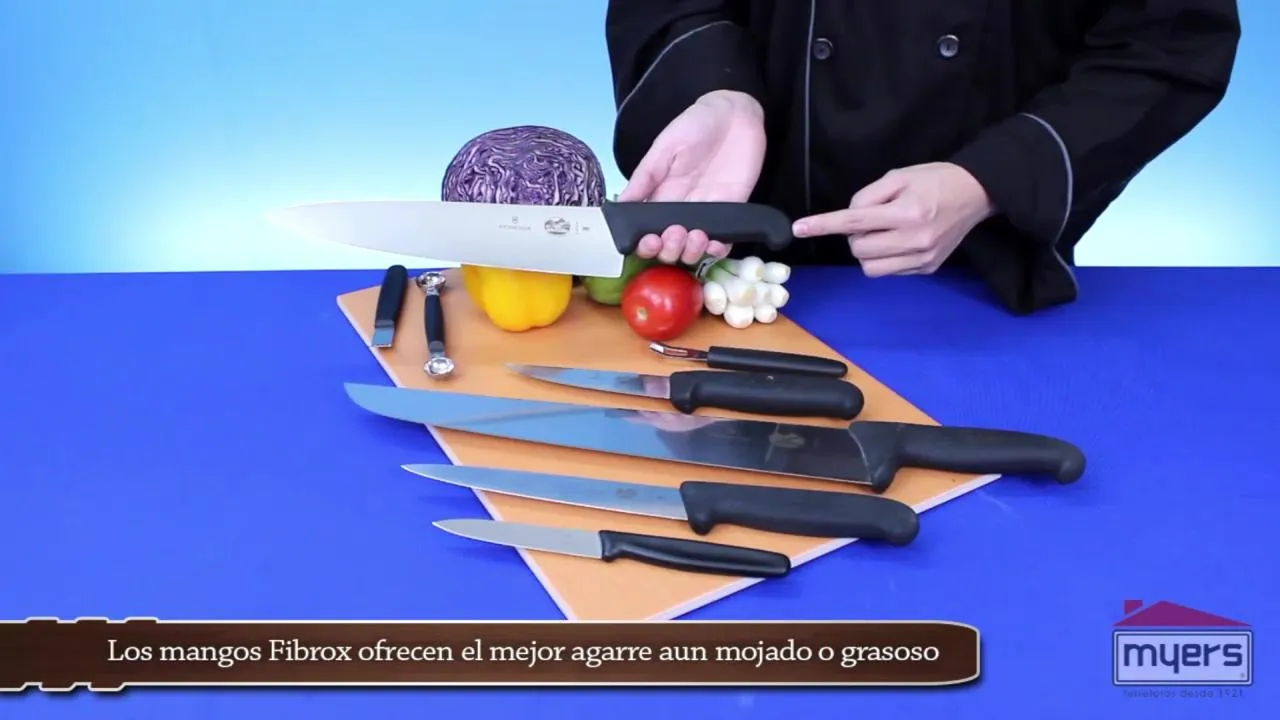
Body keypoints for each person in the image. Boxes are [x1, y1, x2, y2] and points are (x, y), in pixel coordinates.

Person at [605, 2, 1241, 314]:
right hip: (749, 280)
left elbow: (1172, 40)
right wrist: (714, 90)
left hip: (976, 287)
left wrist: (992, 178)